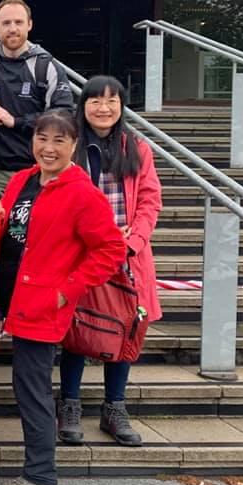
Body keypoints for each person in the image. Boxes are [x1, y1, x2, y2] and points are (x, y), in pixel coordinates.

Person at [0, 109, 125, 485]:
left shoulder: (82, 193)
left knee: (31, 389)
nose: (48, 148)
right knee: (24, 385)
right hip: (10, 296)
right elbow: (9, 234)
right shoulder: (21, 180)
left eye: (58, 141)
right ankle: (39, 472)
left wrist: (69, 289)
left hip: (44, 302)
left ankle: (41, 476)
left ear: (74, 146)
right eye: (42, 139)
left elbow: (111, 249)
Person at [57, 76, 162, 448]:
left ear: (121, 106)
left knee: (126, 329)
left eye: (112, 100)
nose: (104, 107)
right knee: (77, 330)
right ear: (82, 106)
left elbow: (150, 201)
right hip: (83, 253)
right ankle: (68, 405)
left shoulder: (136, 147)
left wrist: (133, 241)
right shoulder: (71, 145)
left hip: (128, 255)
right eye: (95, 101)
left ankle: (114, 408)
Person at [0, 0, 74, 199]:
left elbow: (64, 116)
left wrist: (16, 122)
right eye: (6, 23)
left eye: (18, 22)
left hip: (38, 171)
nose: (12, 29)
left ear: (29, 24)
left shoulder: (47, 67)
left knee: (34, 231)